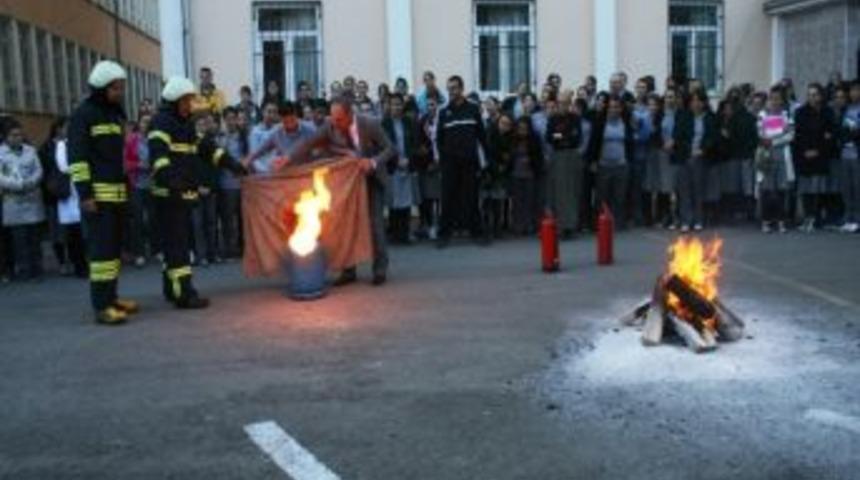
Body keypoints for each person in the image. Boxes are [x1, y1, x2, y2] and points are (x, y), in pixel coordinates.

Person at [284, 96, 395, 286]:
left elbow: (390, 148)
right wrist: (287, 158)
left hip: (372, 180)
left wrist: (373, 162)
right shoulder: (330, 126)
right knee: (346, 226)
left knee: (375, 225)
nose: (334, 123)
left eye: (339, 119)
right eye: (332, 118)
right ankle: (348, 270)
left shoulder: (370, 124)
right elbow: (308, 144)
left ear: (350, 114)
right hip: (348, 185)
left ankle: (379, 269)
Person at [150, 77, 238, 309]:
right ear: (176, 100)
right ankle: (185, 295)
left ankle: (171, 289)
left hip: (180, 195)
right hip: (168, 196)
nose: (190, 105)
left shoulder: (185, 124)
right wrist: (175, 185)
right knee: (178, 246)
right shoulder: (161, 123)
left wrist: (233, 164)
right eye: (187, 100)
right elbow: (159, 160)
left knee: (174, 245)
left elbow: (207, 149)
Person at [68, 60, 137, 325]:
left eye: (121, 87)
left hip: (117, 195)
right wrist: (85, 195)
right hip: (98, 198)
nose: (121, 92)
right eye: (116, 88)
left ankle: (113, 298)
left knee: (113, 251)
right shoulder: (83, 115)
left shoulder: (113, 114)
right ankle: (102, 306)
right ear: (100, 88)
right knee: (101, 255)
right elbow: (78, 159)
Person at [436, 75, 489, 248]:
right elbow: (439, 139)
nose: (452, 92)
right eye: (449, 88)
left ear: (462, 88)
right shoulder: (443, 112)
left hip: (469, 162)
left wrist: (485, 162)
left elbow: (482, 136)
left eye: (455, 88)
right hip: (450, 164)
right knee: (447, 198)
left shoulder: (473, 109)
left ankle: (477, 233)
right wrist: (443, 160)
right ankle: (444, 235)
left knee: (472, 198)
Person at [0, 120, 45, 282]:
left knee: (34, 238)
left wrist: (31, 182)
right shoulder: (1, 154)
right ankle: (25, 270)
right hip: (13, 201)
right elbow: (1, 178)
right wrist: (19, 185)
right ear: (5, 137)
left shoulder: (30, 150)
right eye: (13, 135)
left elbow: (39, 170)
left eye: (19, 134)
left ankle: (37, 269)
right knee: (19, 240)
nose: (18, 138)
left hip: (32, 199)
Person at [793, 83, 837, 233]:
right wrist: (805, 151)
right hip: (804, 156)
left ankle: (816, 218)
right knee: (806, 189)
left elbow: (829, 135)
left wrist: (818, 150)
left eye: (815, 94)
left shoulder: (827, 112)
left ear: (821, 95)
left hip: (821, 156)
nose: (812, 97)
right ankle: (807, 217)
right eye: (810, 94)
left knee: (818, 188)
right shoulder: (800, 112)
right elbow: (798, 135)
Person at [586, 96, 635, 226]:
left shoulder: (625, 123)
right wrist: (593, 162)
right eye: (611, 107)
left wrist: (629, 161)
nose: (614, 109)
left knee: (619, 196)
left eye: (617, 107)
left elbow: (630, 144)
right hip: (603, 165)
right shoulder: (600, 123)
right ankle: (601, 223)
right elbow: (593, 143)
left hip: (621, 165)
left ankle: (617, 222)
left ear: (621, 108)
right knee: (602, 196)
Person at [674, 89, 718, 232]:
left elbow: (712, 138)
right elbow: (678, 137)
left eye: (699, 100)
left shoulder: (710, 117)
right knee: (684, 190)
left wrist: (703, 150)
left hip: (701, 157)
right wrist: (688, 150)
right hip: (684, 156)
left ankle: (698, 219)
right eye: (693, 100)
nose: (696, 103)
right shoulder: (683, 116)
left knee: (698, 190)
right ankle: (686, 220)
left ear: (704, 102)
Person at [382, 93, 420, 244]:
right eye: (393, 104)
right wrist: (397, 161)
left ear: (402, 106)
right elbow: (383, 146)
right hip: (392, 166)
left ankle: (404, 234)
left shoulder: (409, 122)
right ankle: (394, 234)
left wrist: (408, 160)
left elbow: (414, 144)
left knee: (406, 202)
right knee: (393, 202)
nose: (396, 107)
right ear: (389, 106)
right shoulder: (384, 124)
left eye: (399, 104)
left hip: (407, 165)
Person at [757, 86, 795, 234]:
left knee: (781, 191)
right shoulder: (762, 115)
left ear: (782, 100)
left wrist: (773, 141)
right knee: (766, 190)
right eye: (772, 98)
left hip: (782, 157)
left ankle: (781, 221)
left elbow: (790, 135)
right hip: (766, 157)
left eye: (778, 98)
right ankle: (766, 221)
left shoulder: (786, 115)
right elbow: (761, 132)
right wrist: (776, 136)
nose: (774, 101)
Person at [546, 93, 584, 237]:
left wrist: (561, 135)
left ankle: (571, 225)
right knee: (559, 192)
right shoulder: (553, 118)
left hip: (572, 155)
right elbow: (550, 136)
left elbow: (577, 137)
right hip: (558, 156)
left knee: (572, 191)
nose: (563, 105)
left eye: (566, 103)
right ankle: (560, 225)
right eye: (560, 102)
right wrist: (562, 136)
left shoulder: (575, 118)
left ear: (569, 103)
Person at [242, 101, 316, 174]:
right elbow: (260, 150)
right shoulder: (276, 132)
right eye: (286, 122)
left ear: (296, 116)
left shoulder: (309, 130)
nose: (289, 125)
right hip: (285, 175)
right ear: (281, 119)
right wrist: (247, 161)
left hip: (305, 173)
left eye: (292, 120)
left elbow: (318, 151)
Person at [53, 130, 87, 277]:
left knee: (84, 231)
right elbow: (63, 167)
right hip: (70, 193)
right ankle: (79, 265)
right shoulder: (62, 145)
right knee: (74, 232)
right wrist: (82, 167)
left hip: (82, 190)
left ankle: (86, 262)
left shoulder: (83, 143)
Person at [38, 117, 68, 274]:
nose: (68, 129)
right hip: (53, 195)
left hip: (72, 194)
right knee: (57, 231)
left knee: (73, 229)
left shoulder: (73, 144)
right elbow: (43, 171)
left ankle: (76, 259)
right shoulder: (46, 148)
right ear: (57, 128)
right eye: (65, 127)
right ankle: (62, 261)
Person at [125, 114, 155, 267]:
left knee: (154, 219)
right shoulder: (132, 139)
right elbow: (126, 161)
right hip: (137, 184)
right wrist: (138, 165)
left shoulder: (155, 139)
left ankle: (157, 250)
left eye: (149, 122)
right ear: (139, 123)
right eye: (144, 121)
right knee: (137, 220)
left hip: (153, 184)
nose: (147, 124)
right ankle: (139, 253)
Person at [218, 107, 247, 259]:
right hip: (226, 184)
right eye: (228, 118)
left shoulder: (243, 136)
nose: (231, 121)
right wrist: (225, 139)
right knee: (227, 218)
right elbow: (219, 158)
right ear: (224, 120)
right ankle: (229, 248)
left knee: (242, 218)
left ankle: (243, 248)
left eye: (233, 118)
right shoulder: (220, 137)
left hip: (241, 183)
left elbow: (247, 156)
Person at [509, 116, 543, 235]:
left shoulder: (535, 138)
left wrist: (530, 159)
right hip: (516, 173)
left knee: (530, 201)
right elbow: (510, 156)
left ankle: (531, 225)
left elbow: (539, 156)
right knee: (518, 201)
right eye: (520, 128)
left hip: (530, 173)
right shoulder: (513, 138)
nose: (522, 130)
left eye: (525, 128)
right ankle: (518, 226)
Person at [484, 113, 514, 237]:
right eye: (502, 123)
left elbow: (510, 155)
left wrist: (505, 165)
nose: (504, 126)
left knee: (499, 200)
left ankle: (498, 227)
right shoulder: (490, 134)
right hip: (488, 171)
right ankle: (486, 227)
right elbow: (487, 153)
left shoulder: (510, 137)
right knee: (487, 200)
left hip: (502, 172)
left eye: (507, 124)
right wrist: (497, 166)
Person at [416, 96, 442, 240]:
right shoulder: (421, 122)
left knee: (440, 198)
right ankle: (430, 225)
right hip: (427, 166)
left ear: (437, 106)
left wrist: (439, 161)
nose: (430, 107)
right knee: (428, 197)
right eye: (428, 105)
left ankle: (440, 224)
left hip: (441, 165)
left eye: (432, 104)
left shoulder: (442, 120)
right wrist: (428, 161)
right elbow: (419, 143)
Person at [837, 81, 860, 233]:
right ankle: (848, 217)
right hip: (845, 153)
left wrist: (852, 133)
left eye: (857, 90)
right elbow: (841, 130)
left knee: (858, 187)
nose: (854, 93)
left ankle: (857, 219)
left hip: (857, 152)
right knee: (847, 187)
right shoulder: (845, 109)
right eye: (852, 90)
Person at [247, 101, 282, 175]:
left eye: (274, 112)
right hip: (261, 175)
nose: (271, 115)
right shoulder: (255, 131)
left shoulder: (279, 129)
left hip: (276, 173)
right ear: (263, 112)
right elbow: (253, 155)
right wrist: (263, 171)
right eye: (269, 112)